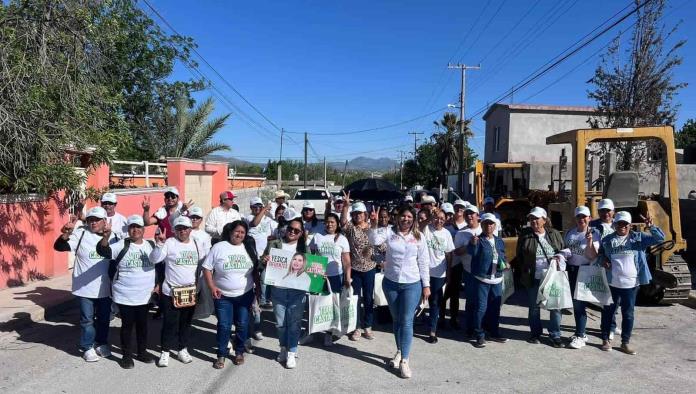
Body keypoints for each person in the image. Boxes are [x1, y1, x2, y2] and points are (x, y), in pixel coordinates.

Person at [369, 205, 430, 379]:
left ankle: (405, 360)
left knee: (406, 320)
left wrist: (426, 285)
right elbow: (374, 241)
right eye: (403, 216)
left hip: (412, 284)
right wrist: (373, 225)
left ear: (414, 219)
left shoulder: (418, 236)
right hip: (391, 283)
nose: (406, 219)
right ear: (397, 218)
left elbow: (424, 261)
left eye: (409, 217)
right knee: (396, 320)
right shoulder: (388, 232)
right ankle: (399, 350)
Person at [53, 207, 117, 362]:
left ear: (104, 221)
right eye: (90, 220)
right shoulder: (80, 233)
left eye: (97, 220)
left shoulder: (113, 237)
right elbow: (60, 247)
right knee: (87, 320)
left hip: (105, 288)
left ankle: (101, 343)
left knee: (104, 318)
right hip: (84, 288)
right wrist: (67, 233)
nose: (93, 222)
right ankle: (87, 347)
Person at [96, 215, 157, 368]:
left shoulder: (150, 244)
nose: (135, 230)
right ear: (128, 229)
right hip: (125, 294)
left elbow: (160, 264)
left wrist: (158, 284)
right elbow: (103, 251)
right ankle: (126, 356)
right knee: (127, 325)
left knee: (143, 325)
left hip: (145, 295)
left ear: (143, 229)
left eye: (138, 227)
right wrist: (105, 237)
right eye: (132, 227)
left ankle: (142, 353)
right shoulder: (121, 245)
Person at [599, 211, 664, 355]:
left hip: (631, 285)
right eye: (619, 223)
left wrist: (651, 226)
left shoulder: (638, 238)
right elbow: (600, 254)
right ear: (615, 224)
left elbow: (660, 238)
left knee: (628, 314)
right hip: (613, 283)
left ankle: (625, 343)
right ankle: (605, 339)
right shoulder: (608, 240)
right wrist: (602, 260)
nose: (622, 226)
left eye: (625, 224)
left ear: (630, 225)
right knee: (608, 312)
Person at [203, 221, 260, 368]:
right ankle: (221, 354)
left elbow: (255, 271)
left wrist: (258, 290)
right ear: (230, 232)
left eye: (242, 232)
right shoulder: (219, 247)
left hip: (245, 294)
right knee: (224, 325)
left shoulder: (248, 247)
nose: (239, 234)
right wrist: (212, 286)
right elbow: (207, 268)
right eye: (237, 231)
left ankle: (239, 351)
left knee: (242, 324)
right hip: (223, 296)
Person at [149, 216, 202, 367]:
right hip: (170, 292)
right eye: (179, 228)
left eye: (185, 228)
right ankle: (165, 351)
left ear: (190, 229)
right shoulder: (169, 243)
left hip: (189, 292)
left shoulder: (196, 243)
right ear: (175, 230)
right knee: (170, 323)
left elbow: (203, 263)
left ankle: (182, 349)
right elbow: (154, 260)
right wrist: (159, 244)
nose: (182, 231)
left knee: (185, 323)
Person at [516, 207, 567, 347]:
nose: (533, 221)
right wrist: (524, 271)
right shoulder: (525, 235)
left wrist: (559, 258)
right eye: (531, 218)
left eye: (536, 218)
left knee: (555, 307)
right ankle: (535, 333)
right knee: (534, 307)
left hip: (552, 277)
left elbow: (564, 250)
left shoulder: (554, 234)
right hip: (533, 277)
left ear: (544, 220)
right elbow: (519, 256)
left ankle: (555, 335)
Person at [261, 218, 307, 369]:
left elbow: (312, 268)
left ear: (301, 234)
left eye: (296, 231)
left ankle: (292, 352)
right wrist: (265, 259)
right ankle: (282, 348)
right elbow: (262, 260)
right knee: (281, 324)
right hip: (278, 291)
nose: (292, 232)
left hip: (297, 292)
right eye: (290, 229)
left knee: (294, 324)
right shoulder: (275, 244)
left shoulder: (304, 249)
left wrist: (319, 276)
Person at [309, 212, 351, 346]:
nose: (329, 224)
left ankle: (329, 333)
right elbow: (312, 255)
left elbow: (346, 262)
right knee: (317, 304)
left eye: (332, 222)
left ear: (337, 224)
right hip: (319, 277)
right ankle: (311, 332)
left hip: (336, 277)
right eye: (327, 222)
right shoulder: (317, 237)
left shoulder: (342, 239)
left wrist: (347, 278)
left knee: (332, 306)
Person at [468, 213, 509, 348]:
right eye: (486, 223)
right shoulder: (478, 240)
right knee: (481, 308)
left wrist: (505, 263)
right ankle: (479, 334)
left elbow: (502, 255)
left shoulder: (499, 241)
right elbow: (472, 253)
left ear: (495, 225)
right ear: (482, 224)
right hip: (482, 279)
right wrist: (473, 244)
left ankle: (494, 332)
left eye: (491, 223)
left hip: (496, 278)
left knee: (495, 307)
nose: (488, 226)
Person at [340, 193, 376, 341]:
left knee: (368, 298)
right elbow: (342, 221)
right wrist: (346, 206)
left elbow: (380, 242)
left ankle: (367, 326)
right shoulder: (350, 228)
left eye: (359, 213)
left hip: (370, 268)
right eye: (354, 213)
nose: (357, 216)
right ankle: (356, 327)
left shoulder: (372, 226)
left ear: (365, 214)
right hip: (354, 268)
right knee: (355, 298)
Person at [564, 206, 600, 350]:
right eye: (579, 217)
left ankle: (580, 335)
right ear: (575, 218)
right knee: (575, 304)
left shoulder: (594, 234)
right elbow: (567, 250)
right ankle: (580, 332)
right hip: (571, 270)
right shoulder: (570, 233)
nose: (582, 219)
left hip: (584, 271)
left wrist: (590, 241)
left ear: (590, 218)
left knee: (580, 304)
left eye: (584, 216)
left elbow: (592, 256)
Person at [447, 204, 481, 333]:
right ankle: (470, 328)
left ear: (478, 216)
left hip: (485, 272)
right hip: (469, 272)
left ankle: (482, 326)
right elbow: (456, 252)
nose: (469, 216)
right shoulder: (461, 234)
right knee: (471, 301)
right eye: (467, 214)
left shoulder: (486, 229)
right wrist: (469, 245)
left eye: (472, 213)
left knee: (483, 302)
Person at [422, 208, 454, 344]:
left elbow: (449, 255)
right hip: (423, 271)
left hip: (439, 274)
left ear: (446, 219)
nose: (439, 220)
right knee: (419, 300)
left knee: (435, 302)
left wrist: (449, 273)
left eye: (442, 218)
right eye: (437, 217)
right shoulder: (427, 229)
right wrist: (430, 217)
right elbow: (420, 227)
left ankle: (432, 331)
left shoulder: (446, 234)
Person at [246, 197, 278, 314]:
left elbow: (277, 233)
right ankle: (254, 301)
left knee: (265, 279)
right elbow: (254, 223)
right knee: (253, 281)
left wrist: (274, 237)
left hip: (264, 256)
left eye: (260, 206)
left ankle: (264, 300)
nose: (258, 209)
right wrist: (264, 209)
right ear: (251, 208)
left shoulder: (269, 221)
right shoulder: (248, 217)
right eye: (255, 207)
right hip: (251, 255)